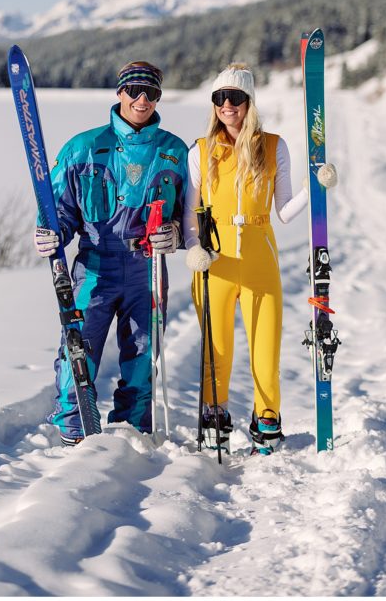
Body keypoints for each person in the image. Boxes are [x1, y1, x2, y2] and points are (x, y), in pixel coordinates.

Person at [183, 64, 337, 455]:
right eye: (220, 98)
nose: (227, 106)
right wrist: (193, 248)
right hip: (216, 263)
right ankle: (213, 413)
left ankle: (266, 417)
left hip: (260, 261)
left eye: (235, 98)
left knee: (265, 349)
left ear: (249, 102)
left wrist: (314, 189)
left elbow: (284, 211)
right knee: (216, 349)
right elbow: (190, 211)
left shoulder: (272, 146)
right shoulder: (200, 151)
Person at [33, 61, 188, 446]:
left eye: (150, 92)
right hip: (95, 264)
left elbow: (194, 215)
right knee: (78, 344)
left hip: (147, 268)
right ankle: (74, 425)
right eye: (134, 90)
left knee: (142, 350)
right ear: (119, 93)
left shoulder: (175, 152)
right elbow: (59, 210)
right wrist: (50, 234)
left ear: (158, 97)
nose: (141, 99)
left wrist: (177, 235)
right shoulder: (83, 148)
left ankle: (131, 431)